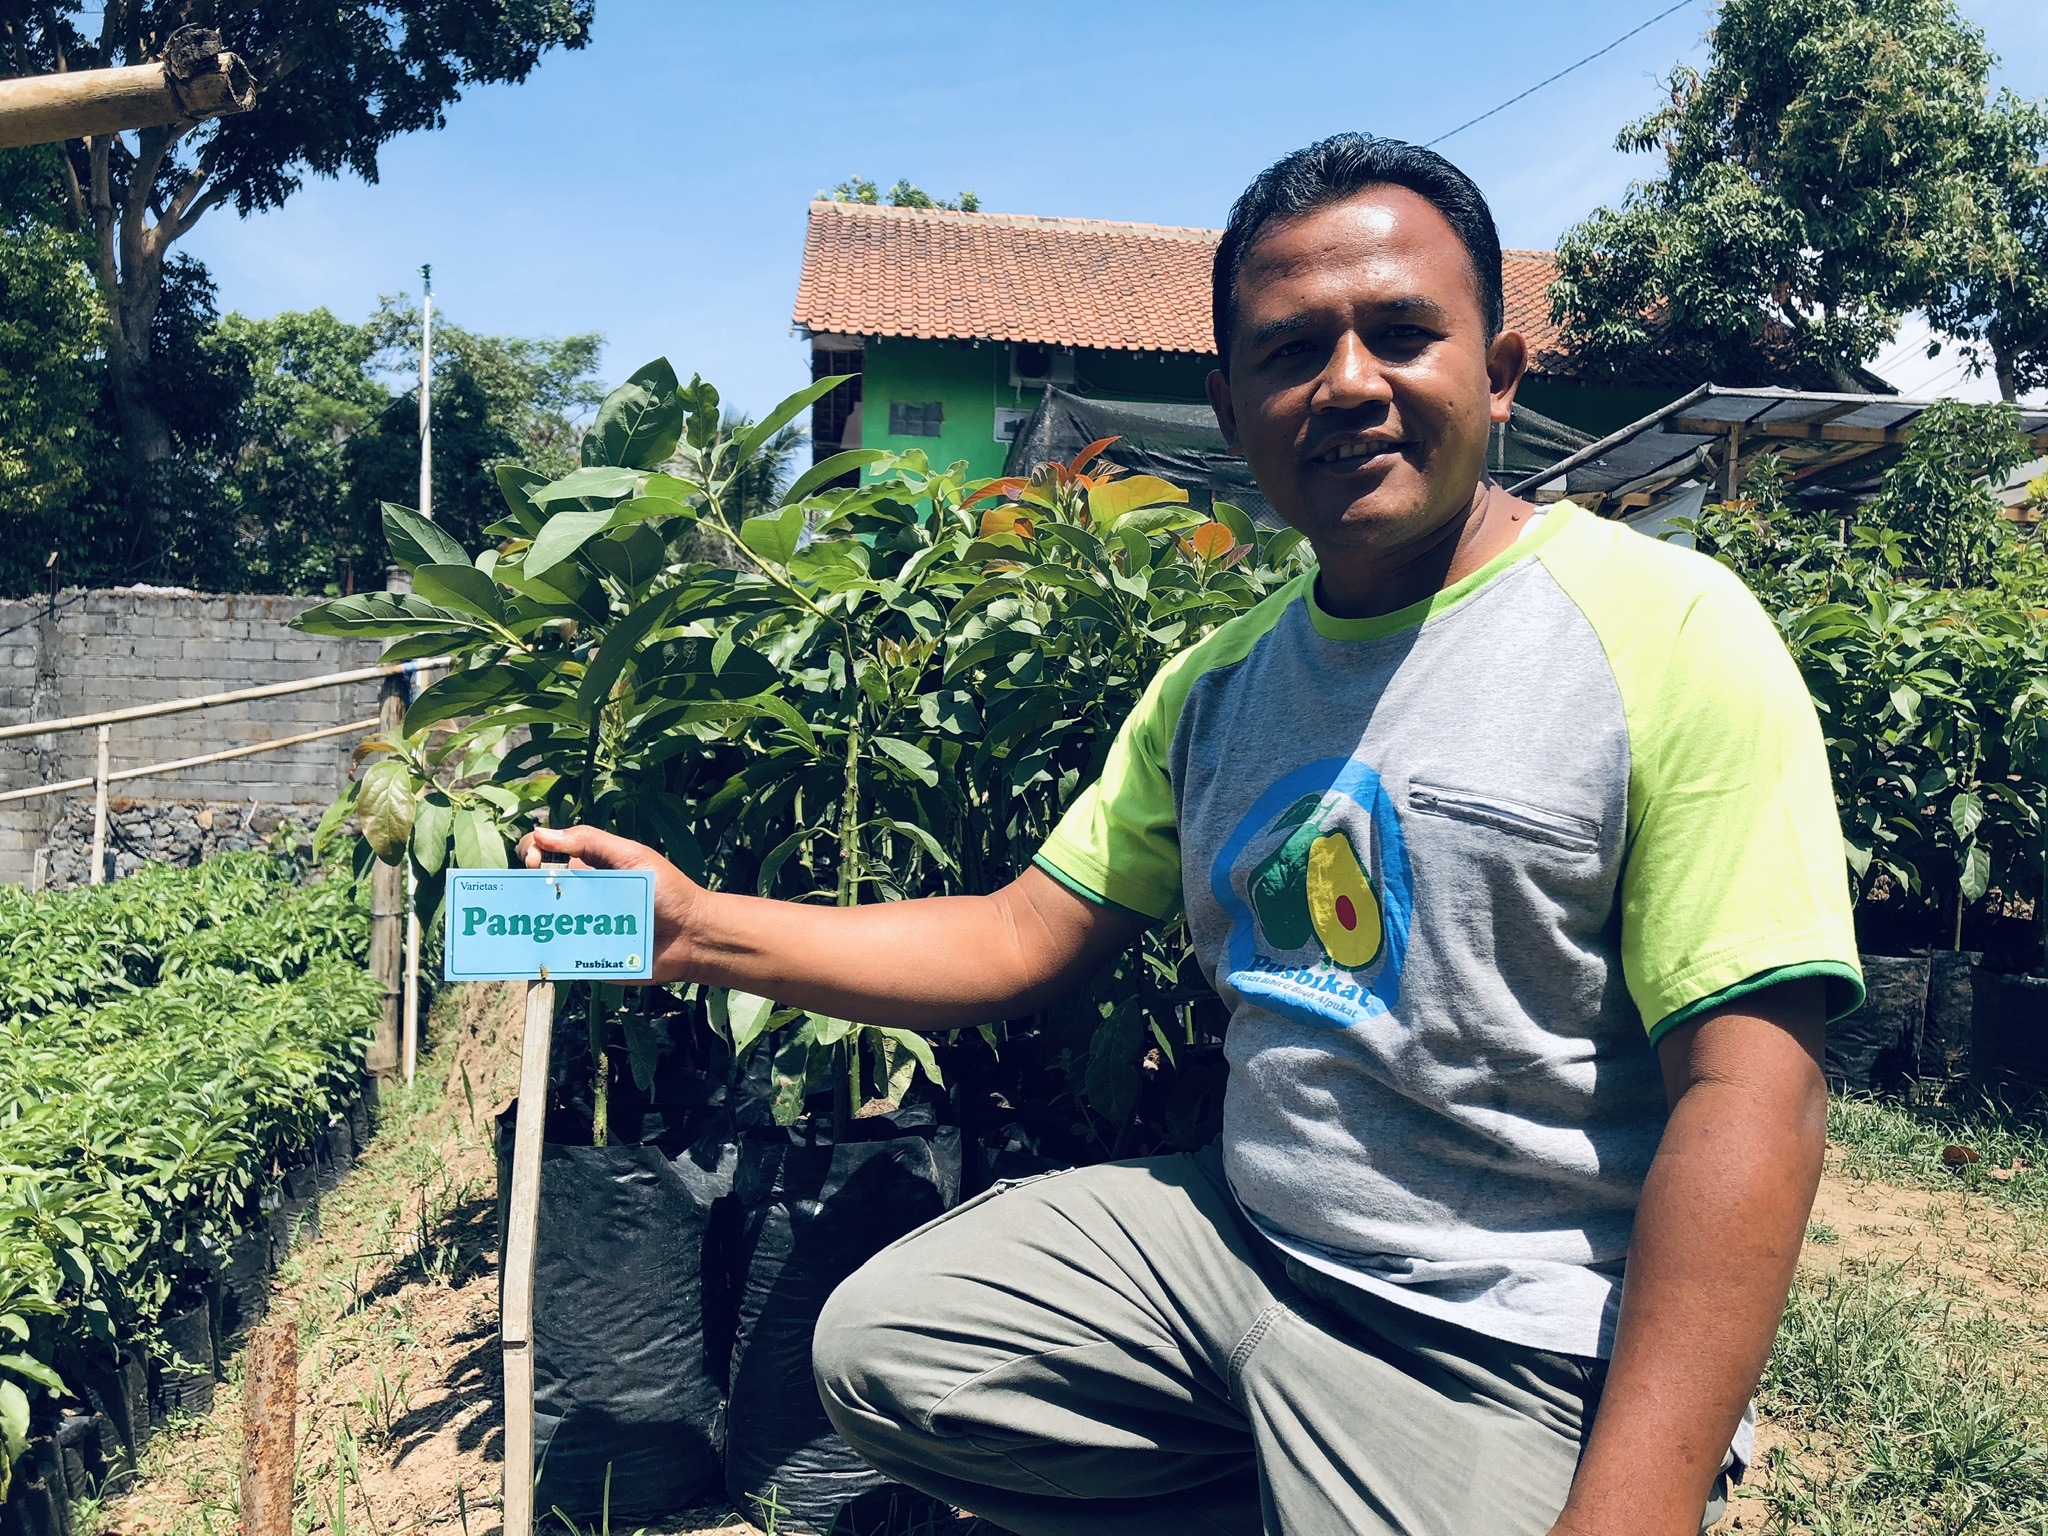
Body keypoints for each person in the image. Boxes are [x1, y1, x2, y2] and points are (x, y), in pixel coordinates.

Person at [519, 134, 1862, 1536]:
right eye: (1292, 352)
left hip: (1502, 1339)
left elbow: (1753, 1098)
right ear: (1230, 409)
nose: (1348, 383)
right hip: (1250, 1247)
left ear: (1501, 372)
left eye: (1402, 333)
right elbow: (1017, 932)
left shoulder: (1668, 632)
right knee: (891, 1355)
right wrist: (695, 930)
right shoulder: (1222, 683)